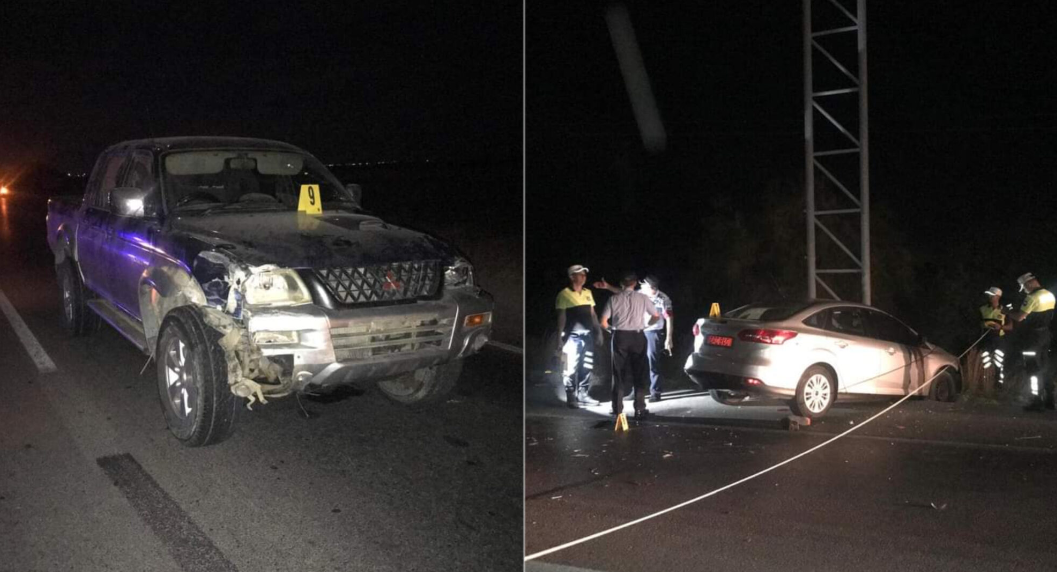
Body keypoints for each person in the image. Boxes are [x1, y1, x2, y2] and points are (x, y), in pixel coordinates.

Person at [594, 274, 673, 401]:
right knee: (636, 363)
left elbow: (669, 318)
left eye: (644, 285)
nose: (641, 286)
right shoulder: (642, 294)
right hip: (638, 331)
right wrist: (608, 287)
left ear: (652, 287)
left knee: (652, 362)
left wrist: (669, 338)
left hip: (653, 332)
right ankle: (636, 392)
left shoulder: (663, 298)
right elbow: (624, 291)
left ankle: (655, 392)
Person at [600, 273, 659, 419]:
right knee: (639, 373)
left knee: (619, 373)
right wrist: (645, 326)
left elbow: (603, 321)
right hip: (638, 336)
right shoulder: (643, 298)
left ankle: (617, 409)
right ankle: (639, 409)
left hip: (620, 336)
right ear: (635, 284)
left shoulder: (613, 299)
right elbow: (656, 316)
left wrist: (611, 329)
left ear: (621, 284)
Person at [999, 272, 1055, 411]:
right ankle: (1050, 399)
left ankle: (1036, 401)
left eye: (1024, 287)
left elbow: (1020, 317)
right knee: (1044, 367)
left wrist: (1006, 311)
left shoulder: (1032, 297)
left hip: (1033, 338)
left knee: (1032, 369)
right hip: (1046, 335)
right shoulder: (1049, 295)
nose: (1024, 290)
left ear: (1030, 283)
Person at [555, 264, 603, 408]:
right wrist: (559, 337)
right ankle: (571, 396)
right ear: (571, 276)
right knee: (570, 366)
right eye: (580, 274)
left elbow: (593, 314)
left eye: (584, 275)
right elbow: (561, 317)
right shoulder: (564, 294)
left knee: (586, 365)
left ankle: (583, 394)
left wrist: (598, 331)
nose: (583, 277)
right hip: (572, 336)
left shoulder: (588, 292)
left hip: (587, 335)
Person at [979, 286, 1006, 386]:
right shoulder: (982, 309)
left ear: (998, 297)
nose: (989, 297)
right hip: (986, 339)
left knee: (999, 361)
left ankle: (999, 384)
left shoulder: (1005, 310)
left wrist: (1001, 326)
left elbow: (1011, 326)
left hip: (999, 339)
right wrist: (984, 324)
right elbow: (978, 322)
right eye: (988, 295)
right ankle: (985, 384)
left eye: (992, 295)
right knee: (985, 361)